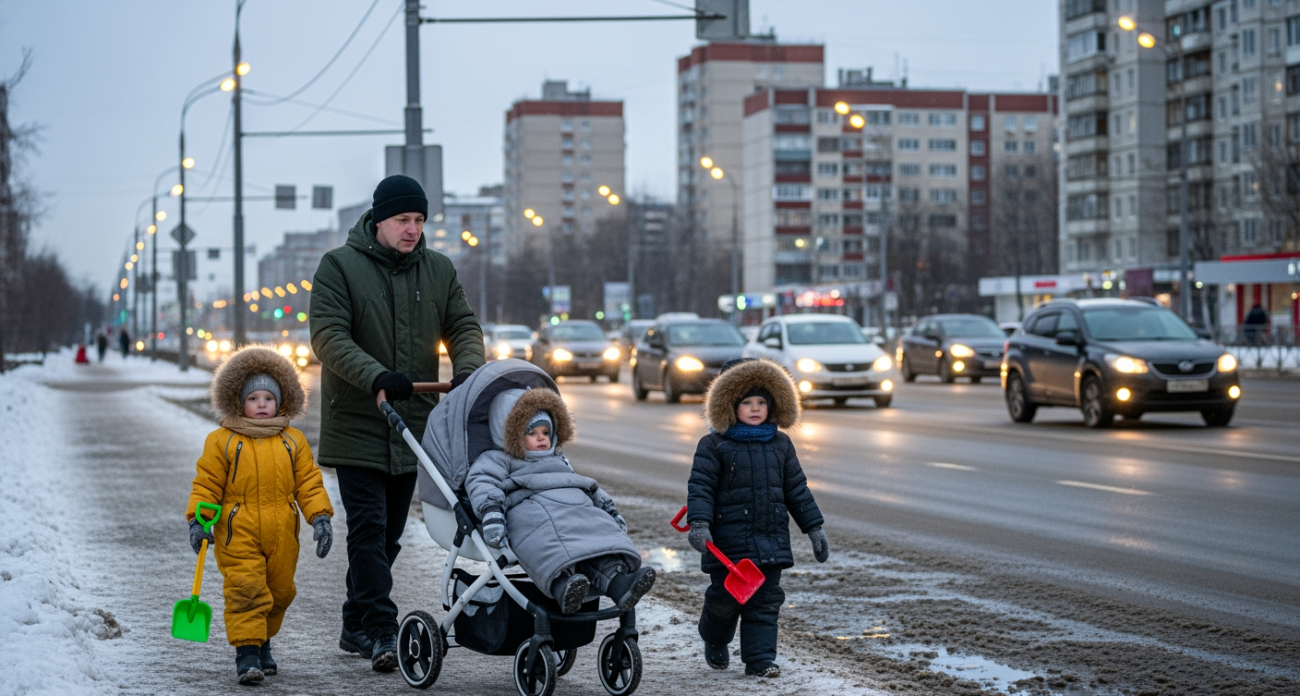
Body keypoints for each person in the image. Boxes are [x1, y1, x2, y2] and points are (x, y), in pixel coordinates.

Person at [309, 174, 485, 672]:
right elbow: (328, 336)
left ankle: (353, 621)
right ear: (379, 219)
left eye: (420, 220)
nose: (413, 229)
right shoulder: (338, 267)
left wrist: (467, 370)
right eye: (404, 220)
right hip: (359, 423)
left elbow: (463, 326)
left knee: (387, 537)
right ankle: (382, 631)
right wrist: (376, 376)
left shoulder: (438, 270)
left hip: (412, 426)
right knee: (367, 531)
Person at [186, 345, 334, 685]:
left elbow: (309, 483)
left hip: (283, 531)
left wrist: (320, 518)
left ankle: (263, 640)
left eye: (269, 397)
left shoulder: (292, 441)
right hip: (238, 530)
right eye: (254, 399)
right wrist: (198, 520)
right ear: (239, 402)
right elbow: (207, 483)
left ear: (281, 402)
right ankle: (247, 653)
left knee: (280, 591)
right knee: (246, 589)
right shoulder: (222, 441)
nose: (262, 404)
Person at [684, 358, 829, 678]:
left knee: (765, 603)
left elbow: (796, 489)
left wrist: (814, 528)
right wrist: (699, 523)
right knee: (725, 601)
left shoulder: (781, 444)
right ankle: (714, 637)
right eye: (746, 402)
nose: (754, 408)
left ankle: (760, 660)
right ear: (728, 405)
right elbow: (701, 488)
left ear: (772, 404)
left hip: (770, 541)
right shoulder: (714, 445)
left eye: (761, 402)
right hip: (728, 545)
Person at [464, 387, 656, 615]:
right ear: (512, 433)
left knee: (593, 531)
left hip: (571, 507)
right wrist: (492, 513)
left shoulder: (559, 460)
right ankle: (563, 584)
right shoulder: (499, 459)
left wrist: (608, 511)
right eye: (532, 432)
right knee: (546, 540)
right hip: (530, 508)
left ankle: (618, 582)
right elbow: (482, 484)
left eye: (545, 431)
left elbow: (582, 485)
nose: (541, 438)